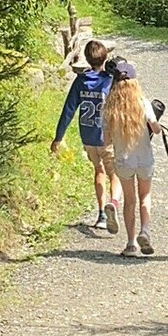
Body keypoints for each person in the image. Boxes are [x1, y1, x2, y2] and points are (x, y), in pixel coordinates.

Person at [51, 39, 121, 233]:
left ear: (88, 60)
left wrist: (59, 137)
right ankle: (114, 202)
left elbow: (68, 110)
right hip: (108, 136)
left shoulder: (81, 80)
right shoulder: (110, 80)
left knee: (98, 170)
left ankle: (101, 214)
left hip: (88, 135)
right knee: (114, 173)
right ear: (105, 57)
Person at [102, 62, 161, 257]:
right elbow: (156, 128)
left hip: (124, 160)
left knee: (129, 201)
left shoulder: (109, 107)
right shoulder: (142, 102)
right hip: (144, 158)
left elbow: (107, 139)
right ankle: (145, 231)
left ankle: (130, 244)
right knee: (145, 197)